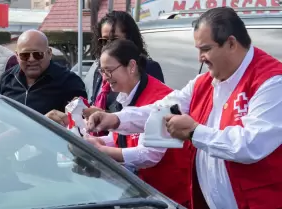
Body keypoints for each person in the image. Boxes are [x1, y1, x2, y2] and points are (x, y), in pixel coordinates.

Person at [87, 7, 282, 209]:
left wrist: (195, 132)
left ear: (231, 43)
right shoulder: (205, 81)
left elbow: (250, 144)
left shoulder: (271, 82)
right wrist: (117, 120)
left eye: (205, 49)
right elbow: (162, 109)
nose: (200, 58)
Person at [49, 39, 191, 206]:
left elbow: (150, 155)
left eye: (109, 71)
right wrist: (97, 142)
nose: (104, 78)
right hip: (142, 193)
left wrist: (102, 151)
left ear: (131, 66)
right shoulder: (124, 96)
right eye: (102, 71)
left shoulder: (160, 98)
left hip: (170, 196)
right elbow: (120, 139)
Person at [85, 11, 164, 115]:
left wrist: (105, 116)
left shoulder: (147, 67)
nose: (108, 46)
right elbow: (95, 103)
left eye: (114, 40)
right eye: (104, 41)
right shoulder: (98, 69)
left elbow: (151, 114)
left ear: (129, 39)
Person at [0, 29, 87, 115]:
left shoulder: (69, 81)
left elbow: (81, 121)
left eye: (38, 54)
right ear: (17, 55)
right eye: (25, 55)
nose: (31, 59)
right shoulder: (7, 78)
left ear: (49, 53)